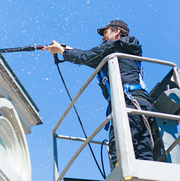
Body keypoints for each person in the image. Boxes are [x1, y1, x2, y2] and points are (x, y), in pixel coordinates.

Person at [41, 20, 154, 168]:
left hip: (127, 103)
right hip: (141, 104)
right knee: (142, 151)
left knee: (120, 147)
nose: (103, 38)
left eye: (105, 33)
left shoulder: (114, 46)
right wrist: (64, 48)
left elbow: (86, 57)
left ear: (117, 32)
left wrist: (62, 52)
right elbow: (90, 57)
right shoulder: (123, 49)